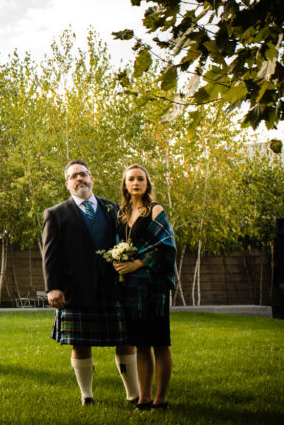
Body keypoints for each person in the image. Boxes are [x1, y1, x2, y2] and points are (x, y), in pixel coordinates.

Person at [42, 160, 139, 406]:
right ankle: (87, 395)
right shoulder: (56, 213)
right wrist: (53, 287)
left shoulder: (112, 208)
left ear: (92, 178)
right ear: (67, 184)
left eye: (83, 174)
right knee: (81, 343)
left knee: (126, 341)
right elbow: (50, 254)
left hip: (113, 286)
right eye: (73, 176)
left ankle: (133, 394)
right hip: (76, 288)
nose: (79, 179)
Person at [112, 165, 176, 411]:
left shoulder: (155, 210)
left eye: (140, 179)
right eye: (131, 179)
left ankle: (161, 398)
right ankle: (144, 397)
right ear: (125, 185)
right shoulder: (121, 213)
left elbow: (167, 245)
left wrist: (137, 263)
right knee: (140, 343)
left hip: (153, 286)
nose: (136, 183)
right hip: (131, 288)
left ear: (147, 184)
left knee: (159, 341)